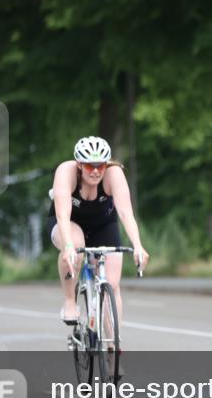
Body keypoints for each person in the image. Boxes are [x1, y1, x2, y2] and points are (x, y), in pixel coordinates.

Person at [49, 136, 149, 327]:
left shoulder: (114, 174)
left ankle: (111, 346)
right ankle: (70, 301)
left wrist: (138, 245)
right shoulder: (66, 171)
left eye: (100, 166)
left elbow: (126, 213)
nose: (95, 171)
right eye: (89, 166)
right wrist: (68, 247)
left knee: (112, 284)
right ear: (79, 164)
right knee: (76, 247)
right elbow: (62, 214)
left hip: (103, 224)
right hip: (69, 222)